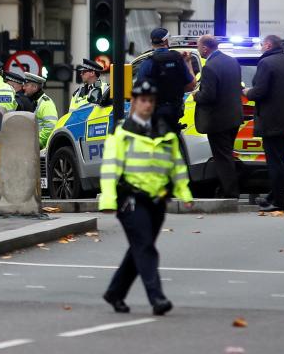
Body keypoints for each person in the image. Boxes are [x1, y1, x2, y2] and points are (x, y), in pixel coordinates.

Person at [98, 79, 192, 316]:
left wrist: (185, 193)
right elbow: (110, 168)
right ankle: (157, 298)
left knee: (140, 248)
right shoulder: (122, 134)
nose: (147, 105)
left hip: (157, 200)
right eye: (143, 101)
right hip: (130, 199)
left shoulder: (164, 132)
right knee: (145, 247)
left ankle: (115, 293)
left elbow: (176, 166)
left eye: (151, 101)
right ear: (134, 103)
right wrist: (108, 201)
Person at [244, 34, 284, 212]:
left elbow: (260, 91)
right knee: (281, 161)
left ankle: (279, 203)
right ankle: (272, 197)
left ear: (268, 45)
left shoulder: (266, 63)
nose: (260, 47)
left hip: (271, 120)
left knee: (274, 164)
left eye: (262, 44)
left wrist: (246, 92)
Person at [193, 34, 243, 198]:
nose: (198, 50)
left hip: (218, 119)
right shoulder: (232, 61)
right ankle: (226, 188)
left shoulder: (210, 67)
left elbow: (209, 96)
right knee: (227, 154)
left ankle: (230, 192)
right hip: (234, 117)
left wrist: (196, 96)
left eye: (199, 47)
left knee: (222, 157)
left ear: (206, 48)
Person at [135, 28, 196, 135]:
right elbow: (191, 85)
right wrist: (188, 62)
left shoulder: (147, 63)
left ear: (152, 42)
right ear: (166, 41)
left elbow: (139, 92)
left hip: (154, 116)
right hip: (174, 113)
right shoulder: (177, 59)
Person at [22, 72, 59, 149]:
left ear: (35, 87)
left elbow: (51, 127)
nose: (24, 88)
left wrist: (38, 143)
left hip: (40, 150)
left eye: (26, 85)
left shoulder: (46, 103)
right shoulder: (34, 101)